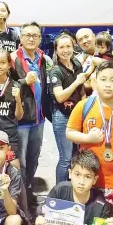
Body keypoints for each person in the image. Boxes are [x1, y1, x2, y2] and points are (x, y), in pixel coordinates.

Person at [66, 60, 113, 217]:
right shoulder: (83, 106)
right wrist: (87, 138)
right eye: (103, 79)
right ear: (95, 81)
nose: (108, 85)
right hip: (87, 179)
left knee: (110, 224)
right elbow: (70, 132)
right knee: (85, 220)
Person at [10, 22, 52, 203]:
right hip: (21, 120)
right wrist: (23, 81)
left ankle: (27, 188)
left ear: (40, 39)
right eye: (27, 35)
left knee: (34, 156)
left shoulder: (45, 59)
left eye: (35, 35)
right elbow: (5, 85)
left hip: (39, 119)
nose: (31, 38)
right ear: (20, 38)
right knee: (21, 160)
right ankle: (20, 195)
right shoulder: (12, 58)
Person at [50, 33, 86, 183]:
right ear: (56, 50)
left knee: (75, 155)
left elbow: (82, 89)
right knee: (65, 158)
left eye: (68, 46)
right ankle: (60, 191)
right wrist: (76, 82)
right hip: (62, 116)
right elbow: (60, 97)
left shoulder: (76, 64)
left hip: (77, 115)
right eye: (61, 47)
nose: (65, 50)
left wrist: (85, 108)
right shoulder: (55, 71)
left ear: (73, 47)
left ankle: (72, 188)